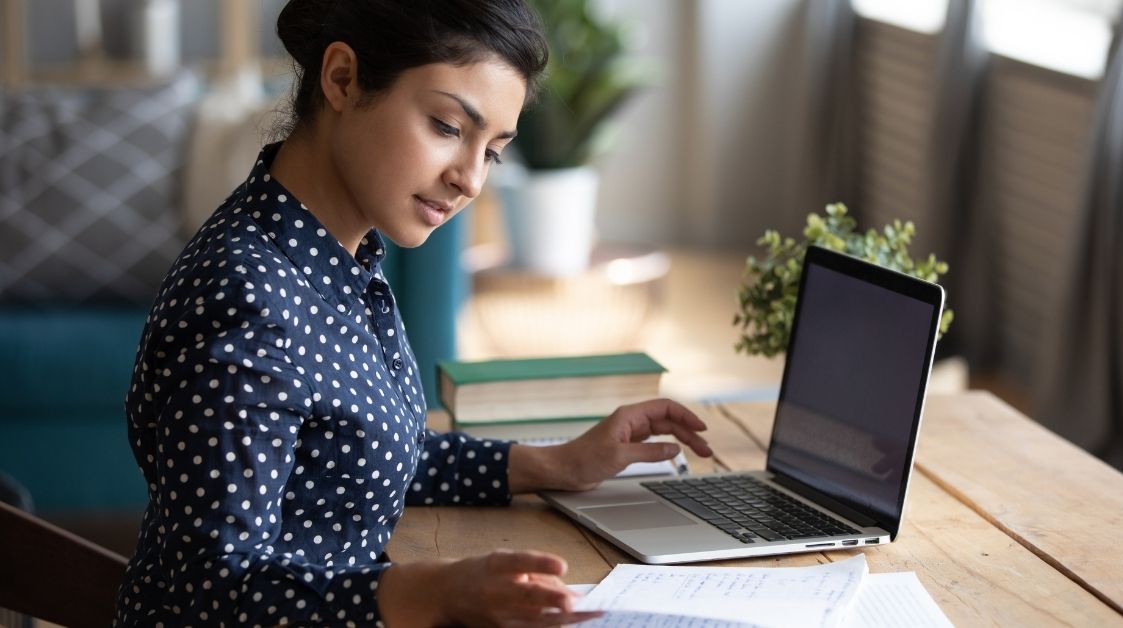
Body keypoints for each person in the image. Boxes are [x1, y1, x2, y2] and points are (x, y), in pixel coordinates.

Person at [112, 0, 713, 626]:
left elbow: (353, 458)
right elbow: (209, 594)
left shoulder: (339, 257)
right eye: (449, 127)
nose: (470, 180)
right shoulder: (247, 298)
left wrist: (557, 463)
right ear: (342, 79)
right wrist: (431, 594)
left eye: (494, 151)